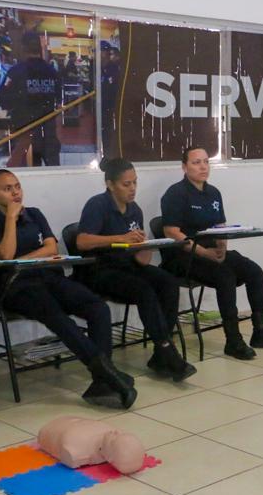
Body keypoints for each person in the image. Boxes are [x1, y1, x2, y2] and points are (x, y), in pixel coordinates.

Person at [0, 169, 136, 408]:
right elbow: (6, 254)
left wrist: (19, 260)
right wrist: (10, 219)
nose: (15, 192)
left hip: (48, 277)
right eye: (7, 189)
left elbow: (51, 248)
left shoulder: (35, 214)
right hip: (16, 287)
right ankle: (107, 374)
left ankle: (102, 379)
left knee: (97, 307)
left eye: (17, 186)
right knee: (58, 317)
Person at [160, 146, 263, 360]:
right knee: (225, 276)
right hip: (185, 256)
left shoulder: (213, 192)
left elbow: (221, 226)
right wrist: (204, 252)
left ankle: (261, 331)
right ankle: (233, 340)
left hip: (212, 253)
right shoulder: (175, 193)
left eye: (206, 162)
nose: (203, 166)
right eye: (196, 162)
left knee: (254, 271)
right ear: (184, 167)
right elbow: (171, 232)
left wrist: (221, 247)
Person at [75, 158, 196, 382]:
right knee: (143, 290)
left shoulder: (135, 210)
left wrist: (144, 246)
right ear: (110, 184)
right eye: (126, 184)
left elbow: (141, 260)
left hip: (128, 266)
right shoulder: (98, 204)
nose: (132, 189)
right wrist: (120, 238)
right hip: (100, 270)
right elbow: (82, 241)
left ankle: (161, 352)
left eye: (135, 183)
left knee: (167, 282)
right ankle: (167, 349)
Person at [0, 32, 61, 167]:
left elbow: (3, 98)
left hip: (25, 131)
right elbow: (59, 97)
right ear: (40, 48)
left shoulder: (16, 72)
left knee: (28, 172)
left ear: (23, 47)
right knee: (54, 171)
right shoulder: (52, 71)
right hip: (48, 130)